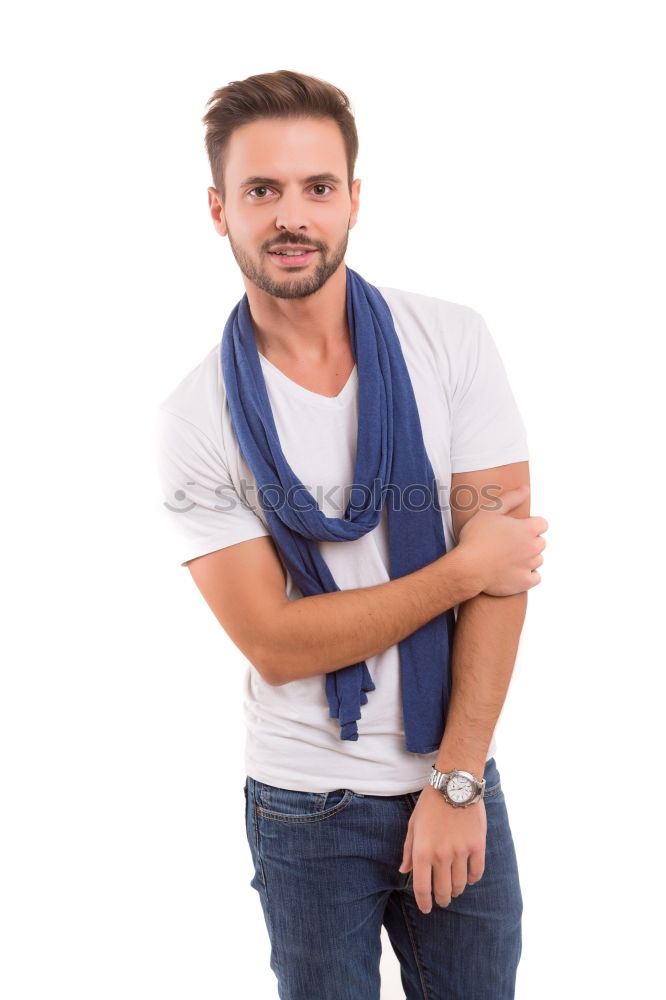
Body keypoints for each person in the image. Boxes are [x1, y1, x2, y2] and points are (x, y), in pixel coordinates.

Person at [156, 69, 548, 1000]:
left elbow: (509, 580)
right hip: (303, 806)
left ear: (354, 200)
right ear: (219, 210)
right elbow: (277, 644)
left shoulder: (451, 342)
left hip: (452, 772)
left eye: (317, 187)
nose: (292, 215)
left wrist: (456, 782)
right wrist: (463, 567)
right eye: (262, 190)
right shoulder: (195, 416)